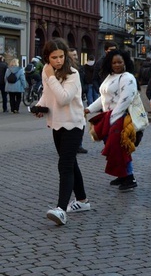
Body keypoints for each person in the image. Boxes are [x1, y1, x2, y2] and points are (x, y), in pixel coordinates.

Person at [34, 39, 90, 226]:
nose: (58, 60)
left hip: (73, 124)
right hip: (56, 123)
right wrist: (40, 106)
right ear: (47, 58)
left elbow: (64, 98)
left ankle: (61, 209)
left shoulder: (72, 74)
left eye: (61, 56)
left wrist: (51, 78)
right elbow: (48, 94)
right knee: (71, 163)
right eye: (54, 57)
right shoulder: (47, 71)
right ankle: (82, 201)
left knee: (64, 165)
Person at [85, 49, 139, 192]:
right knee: (114, 149)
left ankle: (130, 177)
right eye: (114, 62)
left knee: (122, 149)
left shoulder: (128, 78)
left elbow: (125, 100)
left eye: (119, 62)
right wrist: (89, 109)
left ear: (125, 62)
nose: (116, 65)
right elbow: (103, 98)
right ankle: (122, 175)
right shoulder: (110, 76)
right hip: (109, 117)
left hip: (120, 119)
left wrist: (113, 118)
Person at [67, 48, 88, 154]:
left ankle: (78, 144)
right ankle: (72, 145)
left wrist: (85, 89)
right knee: (73, 123)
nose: (75, 57)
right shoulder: (66, 69)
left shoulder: (79, 67)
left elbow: (84, 80)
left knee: (81, 122)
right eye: (73, 55)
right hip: (71, 99)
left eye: (75, 55)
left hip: (80, 97)